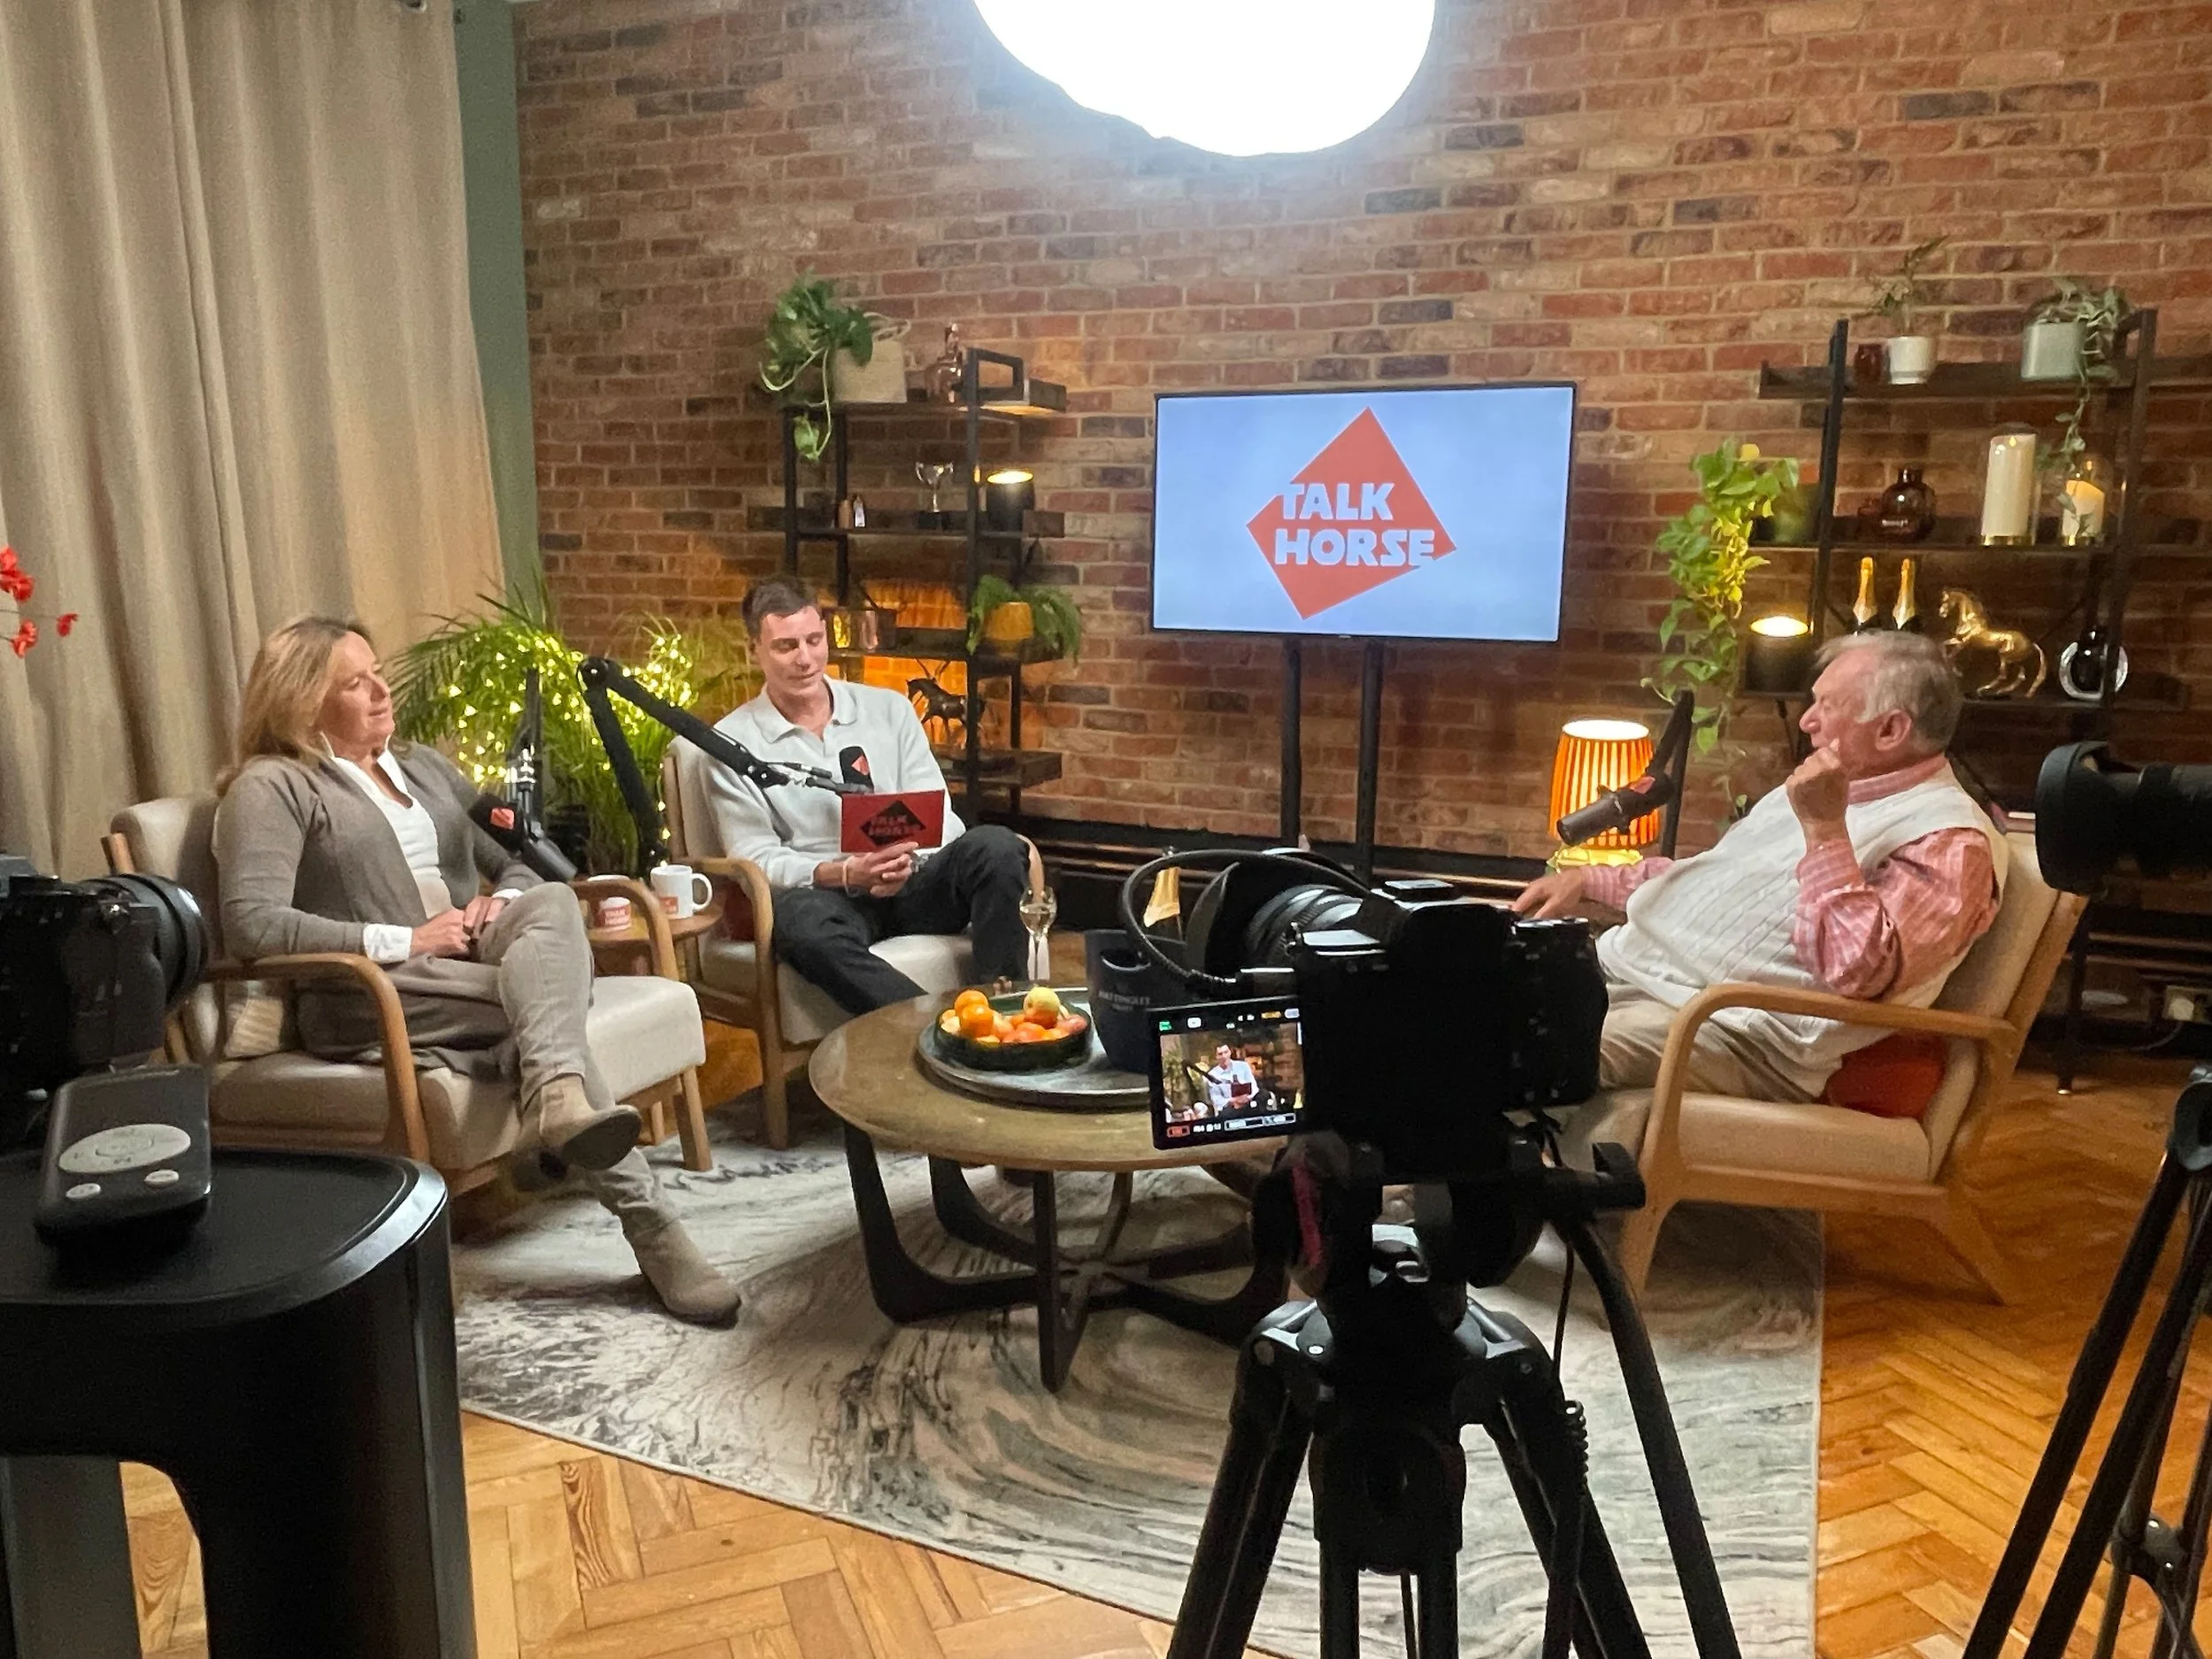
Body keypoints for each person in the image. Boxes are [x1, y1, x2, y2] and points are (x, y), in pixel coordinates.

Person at [213, 617, 741, 1327]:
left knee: (551, 901)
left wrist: (503, 899)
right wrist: (405, 939)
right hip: (372, 992)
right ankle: (655, 1230)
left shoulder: (425, 767)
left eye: (378, 672)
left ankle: (555, 1099)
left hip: (472, 960)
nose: (381, 691)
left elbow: (519, 856)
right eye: (355, 683)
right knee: (545, 1004)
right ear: (302, 702)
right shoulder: (273, 785)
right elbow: (252, 922)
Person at [1512, 631, 2006, 1102]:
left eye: (1827, 706)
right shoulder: (1826, 791)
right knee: (1474, 995)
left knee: (1516, 1049)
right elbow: (1717, 882)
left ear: (1891, 730)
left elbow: (1859, 971)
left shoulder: (1949, 840)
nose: (1807, 721)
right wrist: (1590, 879)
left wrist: (1824, 830)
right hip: (1634, 975)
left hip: (1735, 1034)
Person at [702, 574, 1032, 1013]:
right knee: (800, 924)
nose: (805, 659)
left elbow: (940, 813)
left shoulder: (889, 709)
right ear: (753, 651)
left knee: (998, 847)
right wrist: (844, 873)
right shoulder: (731, 744)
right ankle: (932, 1025)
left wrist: (906, 860)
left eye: (814, 640)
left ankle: (1006, 1014)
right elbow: (755, 857)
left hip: (914, 879)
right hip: (829, 898)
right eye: (786, 646)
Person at [1203, 1042, 1259, 1115]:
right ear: (1216, 1057)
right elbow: (1217, 1099)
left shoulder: (1243, 1066)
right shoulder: (1213, 1075)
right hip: (1230, 1107)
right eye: (1220, 1054)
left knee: (1263, 1096)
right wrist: (1233, 1101)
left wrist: (1248, 1098)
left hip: (1248, 1101)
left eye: (1226, 1052)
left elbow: (1254, 1086)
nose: (1224, 1056)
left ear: (1230, 1052)